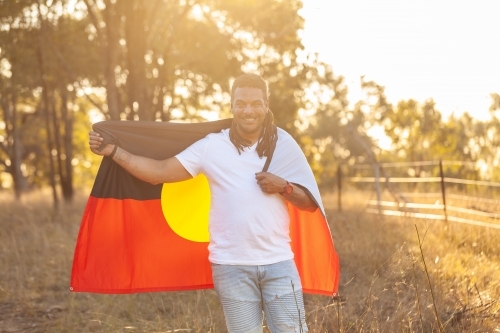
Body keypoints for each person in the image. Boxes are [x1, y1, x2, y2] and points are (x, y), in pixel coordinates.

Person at [89, 73, 319, 333]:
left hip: (279, 263)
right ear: (231, 106)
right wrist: (112, 151)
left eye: (256, 103)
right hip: (232, 267)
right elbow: (158, 171)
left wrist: (284, 187)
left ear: (266, 105)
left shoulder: (284, 144)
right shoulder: (213, 146)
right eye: (241, 103)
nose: (248, 110)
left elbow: (310, 204)